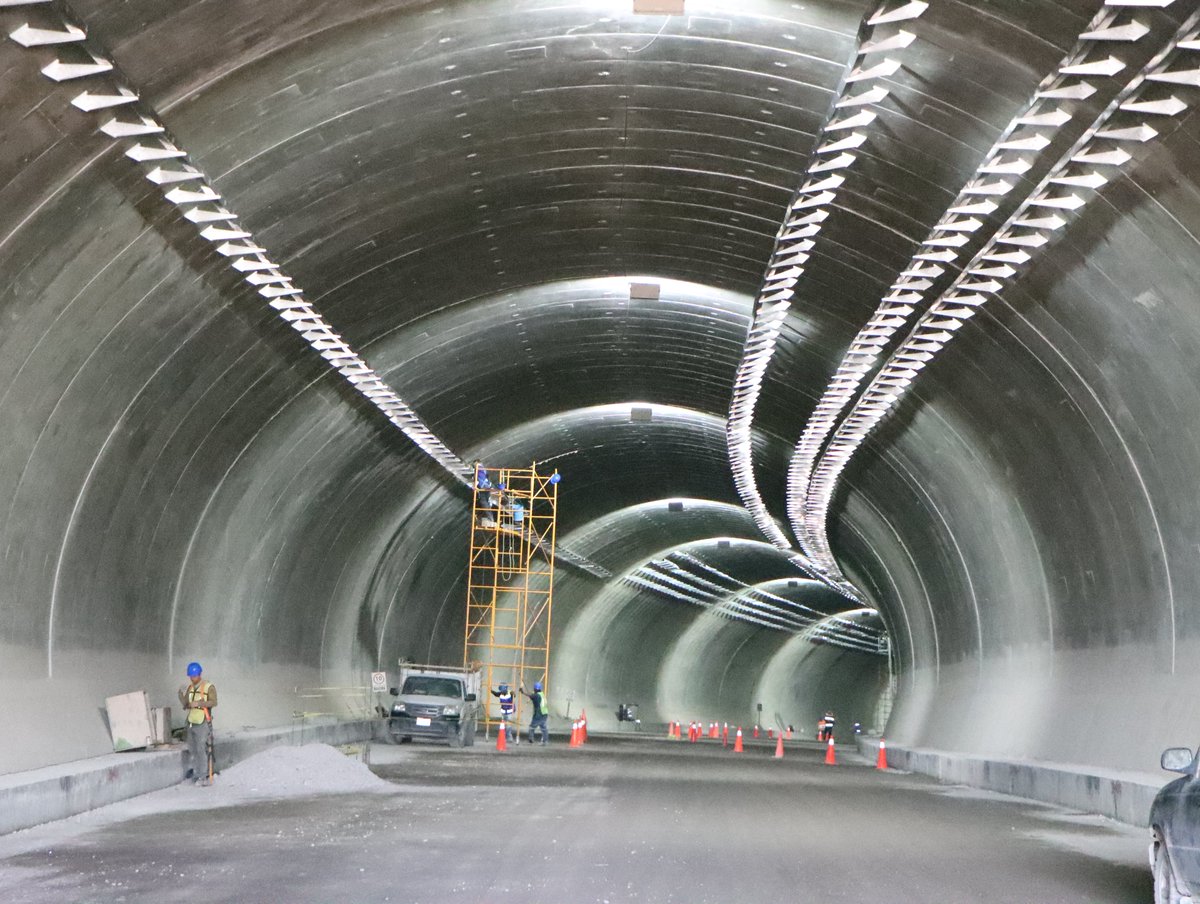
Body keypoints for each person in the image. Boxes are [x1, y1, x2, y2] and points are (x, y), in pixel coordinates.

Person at [178, 661, 217, 785]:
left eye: (193, 676)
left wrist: (199, 703)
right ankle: (197, 772)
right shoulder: (190, 688)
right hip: (191, 721)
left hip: (203, 721)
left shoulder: (208, 687)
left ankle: (203, 775)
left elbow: (213, 702)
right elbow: (186, 705)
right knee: (193, 749)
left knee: (201, 749)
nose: (191, 678)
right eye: (190, 676)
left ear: (199, 674)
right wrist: (180, 694)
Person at [520, 681, 549, 745]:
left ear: (535, 688)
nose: (534, 689)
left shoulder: (537, 695)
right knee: (544, 728)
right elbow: (532, 695)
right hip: (545, 714)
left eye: (534, 688)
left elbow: (532, 695)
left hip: (539, 714)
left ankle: (531, 740)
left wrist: (523, 692)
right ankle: (545, 741)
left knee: (532, 727)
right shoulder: (542, 694)